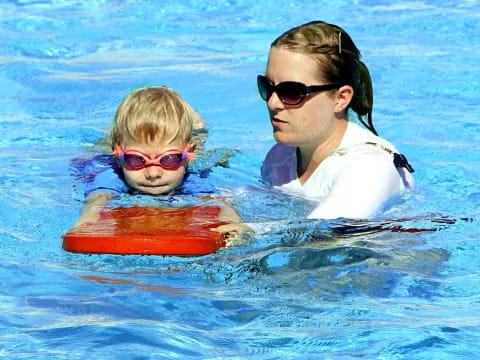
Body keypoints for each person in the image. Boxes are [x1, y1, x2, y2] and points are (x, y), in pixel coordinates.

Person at [258, 21, 414, 220]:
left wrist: (238, 232)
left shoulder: (371, 167)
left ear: (341, 99)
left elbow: (321, 236)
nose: (273, 103)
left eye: (291, 92)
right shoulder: (281, 156)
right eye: (267, 87)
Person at [73, 86, 246, 242]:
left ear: (186, 157)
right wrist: (86, 222)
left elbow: (217, 202)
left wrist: (234, 223)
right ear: (119, 156)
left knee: (206, 148)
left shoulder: (190, 178)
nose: (153, 173)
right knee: (99, 148)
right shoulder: (110, 176)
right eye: (136, 159)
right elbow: (97, 200)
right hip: (105, 155)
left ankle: (198, 125)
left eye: (169, 159)